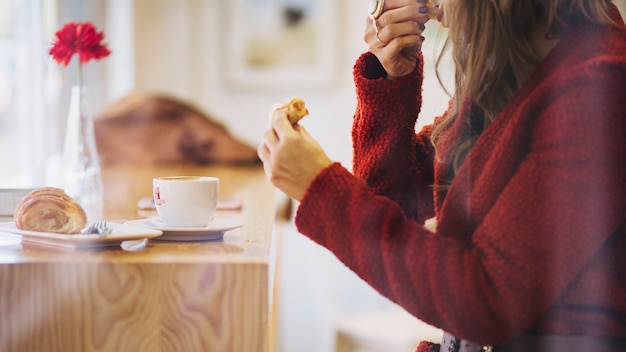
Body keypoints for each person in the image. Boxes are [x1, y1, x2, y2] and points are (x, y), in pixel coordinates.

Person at [258, 0, 626, 351]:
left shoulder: (600, 89)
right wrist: (391, 78)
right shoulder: (518, 66)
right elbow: (401, 205)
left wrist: (319, 189)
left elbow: (487, 299)